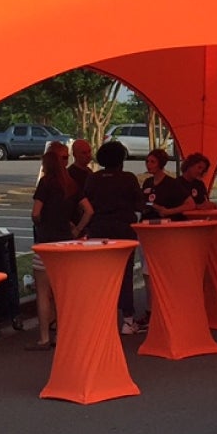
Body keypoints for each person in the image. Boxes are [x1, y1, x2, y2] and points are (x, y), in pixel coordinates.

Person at [75, 139, 145, 330]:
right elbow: (140, 204)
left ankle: (102, 317)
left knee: (101, 275)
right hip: (123, 231)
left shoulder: (93, 178)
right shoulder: (128, 178)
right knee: (125, 275)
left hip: (98, 230)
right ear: (121, 159)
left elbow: (85, 203)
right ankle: (128, 319)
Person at [28, 141, 81, 350]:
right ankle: (62, 333)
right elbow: (88, 209)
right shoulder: (71, 184)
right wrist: (76, 229)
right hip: (66, 240)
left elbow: (35, 212)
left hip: (46, 242)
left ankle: (43, 337)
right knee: (63, 291)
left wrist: (40, 221)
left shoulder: (45, 183)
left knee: (43, 291)